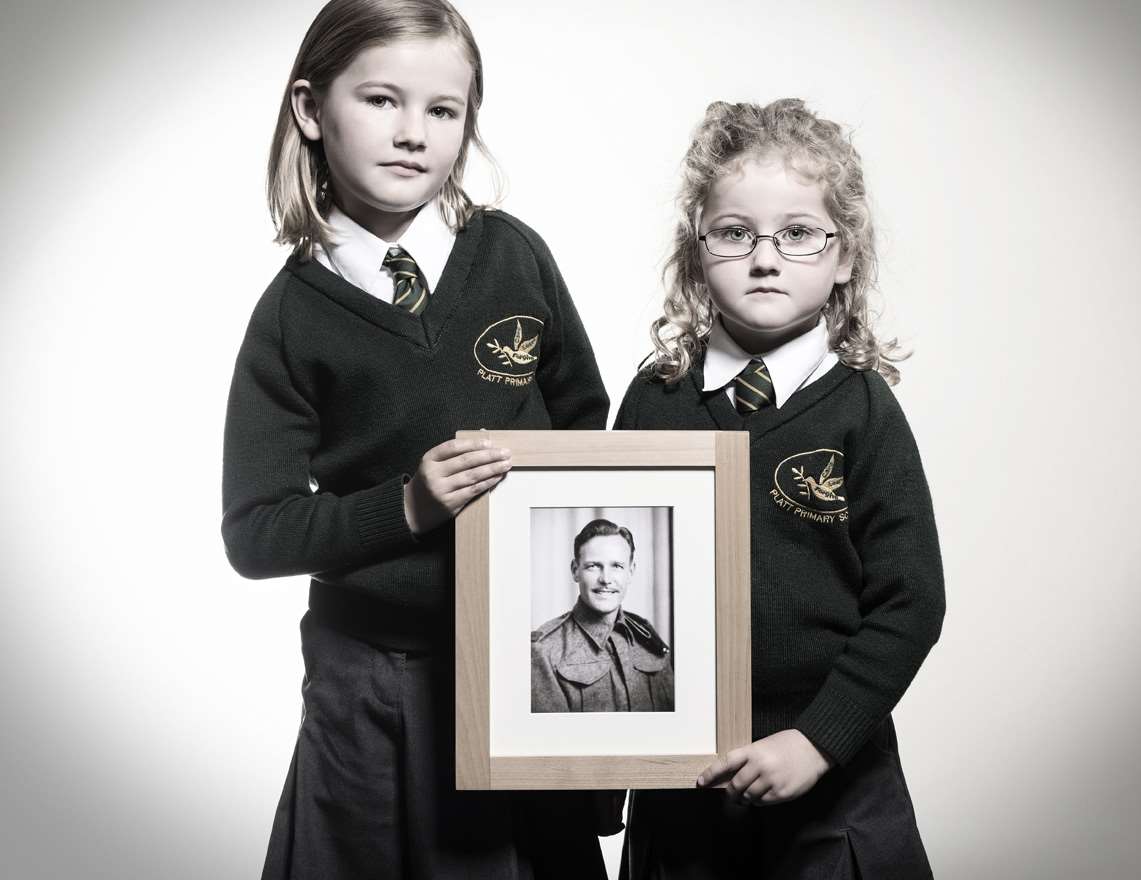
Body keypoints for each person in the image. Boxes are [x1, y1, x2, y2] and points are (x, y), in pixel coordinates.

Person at [220, 1, 612, 876]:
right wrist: (406, 506)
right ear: (311, 110)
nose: (413, 134)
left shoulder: (515, 255)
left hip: (523, 671)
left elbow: (589, 430)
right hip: (376, 687)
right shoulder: (290, 319)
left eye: (443, 110)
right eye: (381, 100)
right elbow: (256, 531)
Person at [614, 99, 946, 878]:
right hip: (684, 791)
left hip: (833, 791)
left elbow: (910, 602)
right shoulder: (652, 401)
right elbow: (614, 569)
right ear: (697, 252)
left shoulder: (864, 413)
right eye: (735, 232)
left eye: (798, 233)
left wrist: (818, 740)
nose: (765, 257)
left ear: (844, 256)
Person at [531, 519, 675, 713]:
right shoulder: (544, 650)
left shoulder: (647, 637)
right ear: (575, 571)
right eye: (593, 566)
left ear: (631, 572)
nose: (606, 579)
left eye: (617, 566)